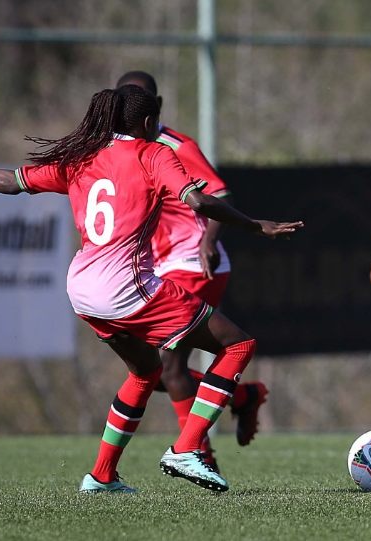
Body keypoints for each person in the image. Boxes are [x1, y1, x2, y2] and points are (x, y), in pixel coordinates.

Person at [0, 84, 303, 494]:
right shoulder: (154, 153)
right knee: (237, 345)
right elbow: (200, 203)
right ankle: (187, 449)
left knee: (146, 371)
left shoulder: (82, 157)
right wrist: (258, 226)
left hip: (81, 288)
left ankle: (101, 476)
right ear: (149, 124)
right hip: (126, 288)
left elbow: (11, 182)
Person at [115, 71, 268, 472]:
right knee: (153, 371)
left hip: (194, 263)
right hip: (157, 269)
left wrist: (209, 241)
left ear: (157, 107)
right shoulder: (120, 150)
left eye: (144, 102)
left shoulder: (175, 146)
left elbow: (219, 194)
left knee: (169, 366)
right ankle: (241, 397)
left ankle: (196, 450)